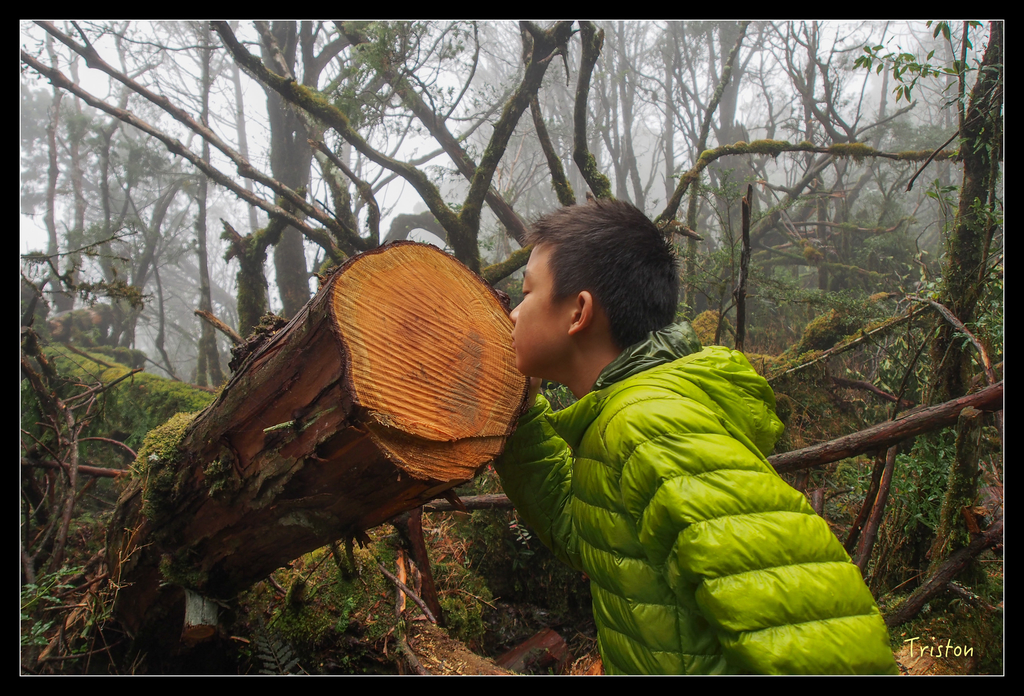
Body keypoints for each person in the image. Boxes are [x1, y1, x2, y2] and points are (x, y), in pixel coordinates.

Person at [493, 199, 899, 675]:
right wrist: (520, 415)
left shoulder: (652, 427)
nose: (514, 313)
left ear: (578, 311)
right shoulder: (620, 420)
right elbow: (597, 539)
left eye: (526, 294)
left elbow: (820, 646)